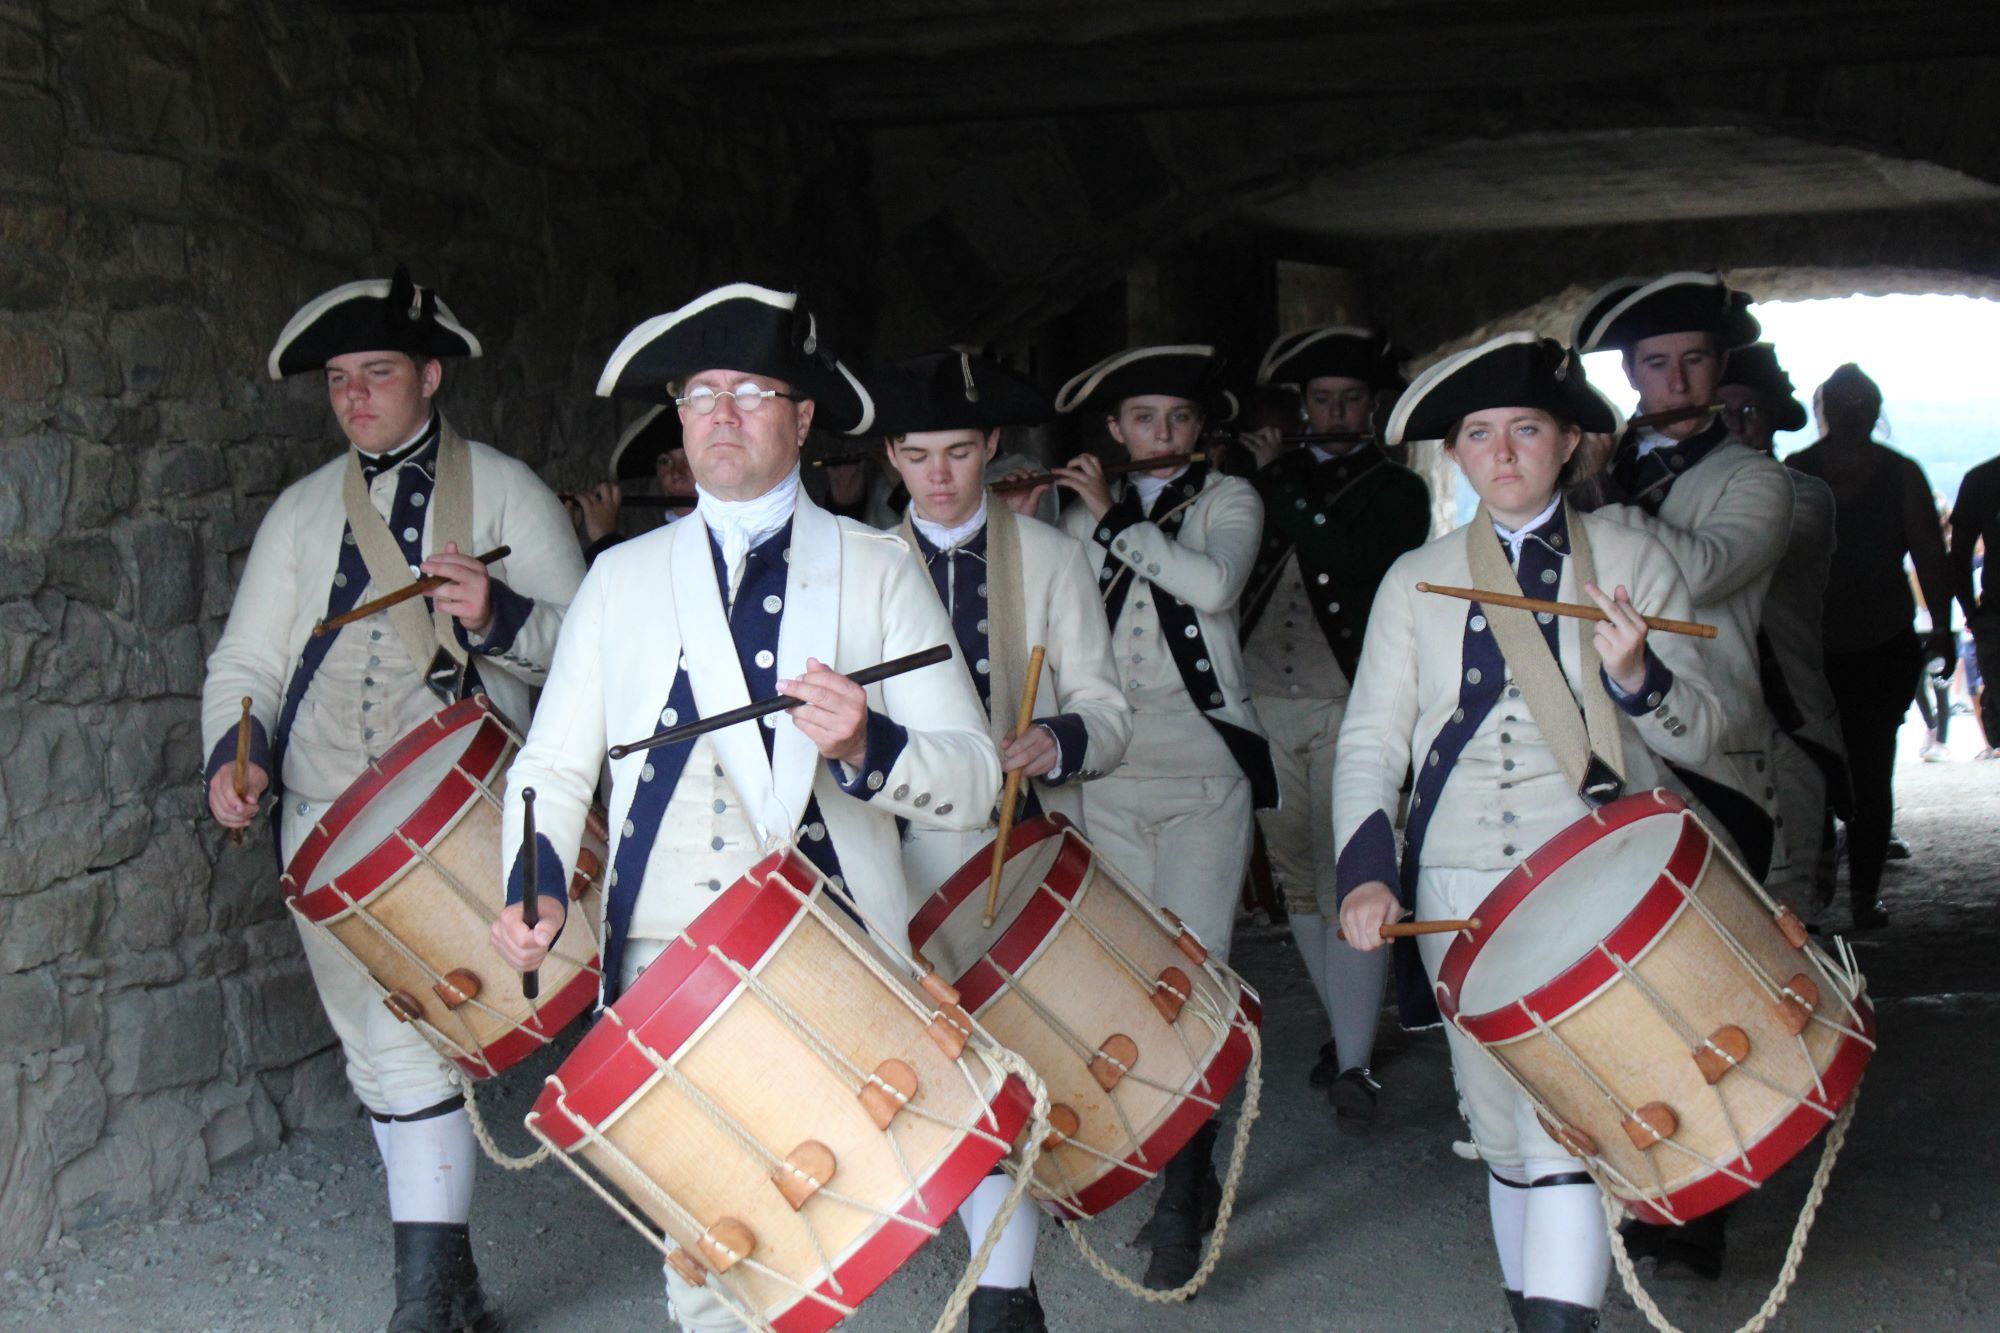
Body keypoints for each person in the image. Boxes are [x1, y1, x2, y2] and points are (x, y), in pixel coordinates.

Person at [486, 282, 1001, 1333]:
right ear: (678, 416)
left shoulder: (876, 569)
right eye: (701, 394)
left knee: (814, 1243)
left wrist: (868, 742)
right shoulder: (620, 579)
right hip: (662, 952)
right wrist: (533, 881)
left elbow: (975, 777)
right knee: (702, 1245)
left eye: (753, 392)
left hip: (833, 947)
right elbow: (549, 763)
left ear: (802, 419)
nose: (722, 415)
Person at [201, 266, 585, 1331]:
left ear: (430, 375)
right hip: (325, 814)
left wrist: (503, 613)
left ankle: (427, 1294)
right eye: (338, 379)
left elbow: (592, 659)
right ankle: (443, 1281)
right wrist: (236, 758)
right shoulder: (298, 513)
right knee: (374, 1040)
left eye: (378, 373)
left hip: (460, 815)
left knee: (417, 1034)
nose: (355, 397)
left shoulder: (504, 490)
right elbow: (247, 663)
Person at [1335, 333, 1724, 1333]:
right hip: (1454, 882)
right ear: (1455, 456)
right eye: (1477, 435)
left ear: (1566, 444)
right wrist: (1364, 875)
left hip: (1591, 871)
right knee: (1501, 1127)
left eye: (1524, 430)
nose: (1501, 453)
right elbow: (1370, 742)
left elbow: (1724, 727)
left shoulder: (1635, 557)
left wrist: (1640, 678)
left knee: (1567, 1120)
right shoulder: (1412, 576)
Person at [867, 350, 1132, 1333]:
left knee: (1013, 1068)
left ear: (990, 449)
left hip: (1016, 852)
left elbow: (1108, 712)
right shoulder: (854, 564)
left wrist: (1058, 737)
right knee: (932, 1075)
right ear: (892, 453)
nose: (938, 476)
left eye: (958, 453)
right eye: (919, 454)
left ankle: (1004, 1297)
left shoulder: (1055, 559)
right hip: (889, 861)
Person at [1050, 343, 1274, 1291]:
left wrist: (1110, 515)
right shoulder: (1067, 510)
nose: (1163, 435)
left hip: (1202, 771)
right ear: (1114, 429)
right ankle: (1156, 1156)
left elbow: (1212, 586)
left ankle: (1185, 1191)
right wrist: (1035, 522)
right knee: (1129, 981)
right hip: (1109, 774)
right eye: (1144, 420)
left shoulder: (1229, 500)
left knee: (1196, 976)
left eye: (1179, 421)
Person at [1238, 325, 1433, 1128]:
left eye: (1350, 399)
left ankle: (1354, 1059)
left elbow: (1351, 558)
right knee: (1299, 881)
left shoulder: (1398, 489)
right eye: (1323, 400)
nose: (1337, 411)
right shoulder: (1260, 482)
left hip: (1348, 701)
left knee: (1348, 869)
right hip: (1262, 698)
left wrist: (1273, 478)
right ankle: (1345, 1032)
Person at [1573, 273, 1789, 885]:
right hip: (1607, 746)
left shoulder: (1753, 479)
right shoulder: (1598, 460)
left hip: (1716, 750)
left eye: (1694, 360)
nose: (1676, 383)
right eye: (1657, 363)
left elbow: (1694, 574)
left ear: (1720, 365)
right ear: (1630, 374)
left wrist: (1590, 490)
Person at [1788, 364, 1956, 929]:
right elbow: (1928, 555)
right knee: (1853, 768)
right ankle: (1847, 896)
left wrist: (1942, 627)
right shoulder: (1890, 474)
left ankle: (1842, 895)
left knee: (1834, 770)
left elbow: (1931, 556)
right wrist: (1942, 629)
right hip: (1834, 643)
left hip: (1840, 643)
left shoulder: (1800, 472)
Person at [1717, 343, 1849, 913]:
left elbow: (1740, 556)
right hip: (1716, 719)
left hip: (1789, 711)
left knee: (1794, 898)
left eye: (1751, 408)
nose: (1737, 421)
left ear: (1774, 417)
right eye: (1724, 408)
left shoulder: (1806, 496)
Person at [567, 404, 696, 563]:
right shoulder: (658, 540)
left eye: (689, 459)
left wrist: (605, 538)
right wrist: (565, 538)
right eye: (665, 461)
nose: (676, 474)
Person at [1949, 451, 1998, 751]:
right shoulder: (1983, 479)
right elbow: (1958, 559)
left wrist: (1972, 614)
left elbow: (1958, 557)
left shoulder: (1984, 478)